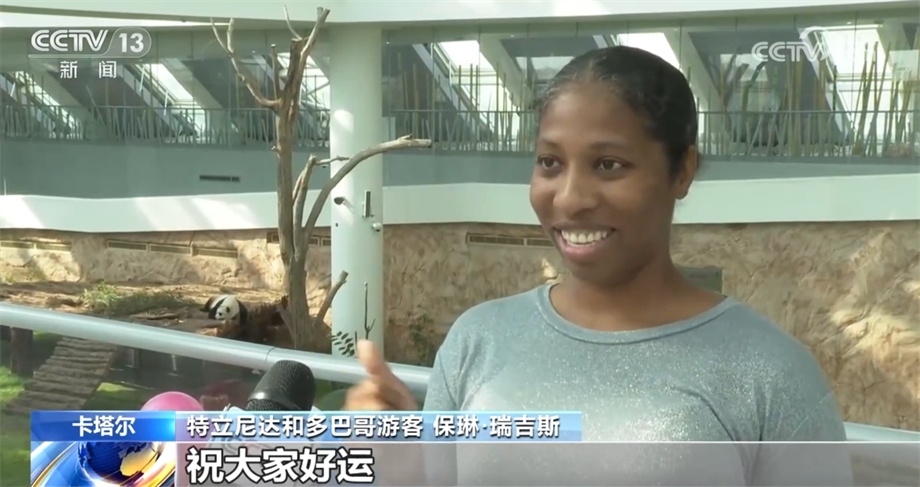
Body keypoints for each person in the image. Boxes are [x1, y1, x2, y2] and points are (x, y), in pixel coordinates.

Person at [345, 46, 852, 485]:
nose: (570, 198)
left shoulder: (769, 373)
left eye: (609, 165)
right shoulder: (478, 341)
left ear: (683, 170)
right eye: (550, 163)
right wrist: (399, 463)